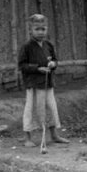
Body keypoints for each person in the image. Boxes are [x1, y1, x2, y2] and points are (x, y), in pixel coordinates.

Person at [17, 14, 68, 147]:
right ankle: (27, 137)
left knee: (51, 108)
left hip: (47, 83)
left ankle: (54, 135)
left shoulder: (48, 45)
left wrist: (53, 65)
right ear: (30, 30)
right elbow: (21, 65)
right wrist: (37, 68)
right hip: (34, 84)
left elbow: (55, 60)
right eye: (37, 29)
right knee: (32, 109)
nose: (40, 32)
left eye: (43, 29)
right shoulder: (26, 47)